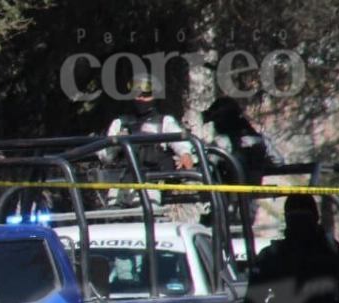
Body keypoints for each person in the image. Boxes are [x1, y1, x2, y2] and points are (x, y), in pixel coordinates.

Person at [97, 73, 196, 206]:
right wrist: (116, 143)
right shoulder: (120, 123)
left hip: (149, 184)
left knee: (147, 220)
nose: (141, 98)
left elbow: (180, 141)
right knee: (113, 222)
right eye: (137, 94)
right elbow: (105, 156)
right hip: (119, 185)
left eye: (146, 94)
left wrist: (185, 154)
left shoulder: (164, 122)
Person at [203, 96, 284, 184]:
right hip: (251, 193)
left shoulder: (221, 142)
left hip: (224, 195)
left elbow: (207, 168)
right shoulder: (261, 140)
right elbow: (278, 161)